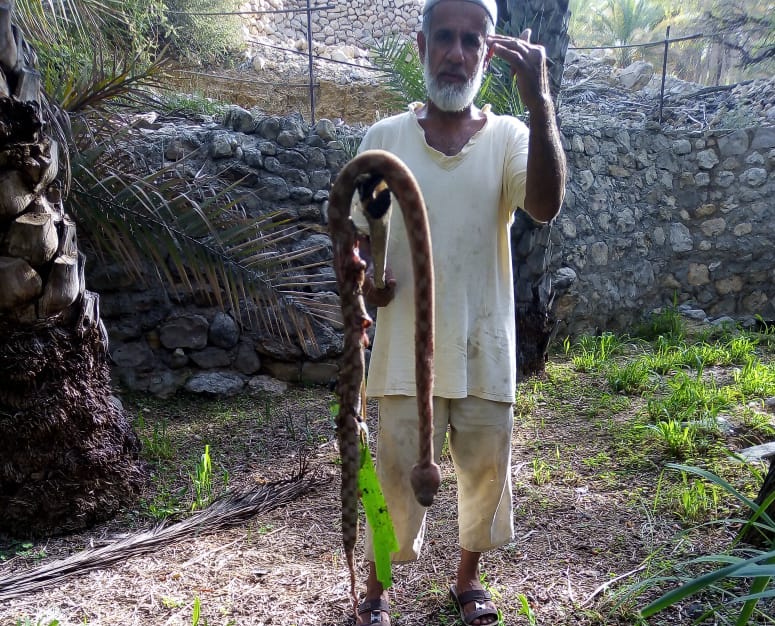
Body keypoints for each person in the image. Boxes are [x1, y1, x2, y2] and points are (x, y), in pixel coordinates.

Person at [352, 0, 566, 624]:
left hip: (482, 347)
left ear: (488, 51)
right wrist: (364, 279)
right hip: (399, 354)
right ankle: (375, 588)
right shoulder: (385, 139)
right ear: (421, 45)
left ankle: (466, 580)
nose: (456, 52)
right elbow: (361, 232)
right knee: (392, 475)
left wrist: (541, 103)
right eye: (443, 37)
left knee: (483, 472)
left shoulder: (509, 138)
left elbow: (546, 206)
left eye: (471, 41)